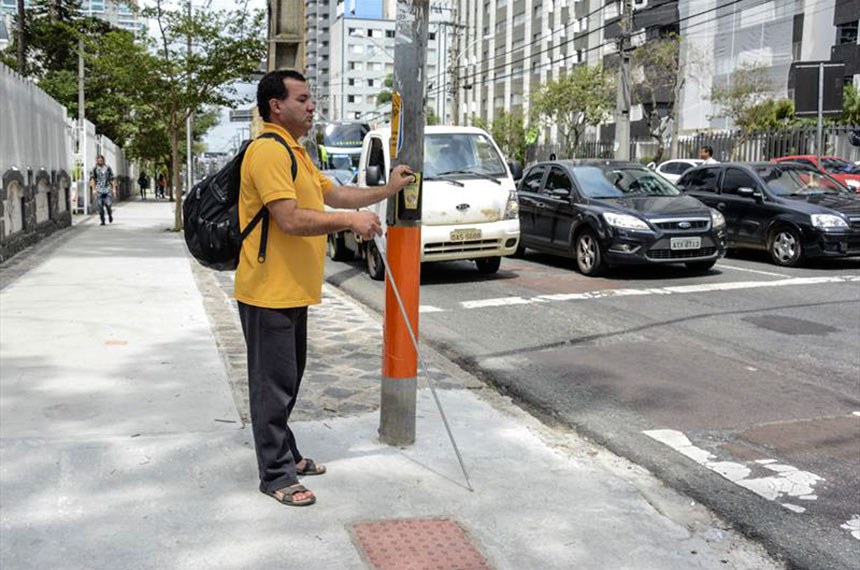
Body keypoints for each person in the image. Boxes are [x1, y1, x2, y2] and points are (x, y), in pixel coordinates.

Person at [236, 69, 414, 507]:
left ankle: (286, 453)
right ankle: (275, 475)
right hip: (267, 291)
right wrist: (350, 223)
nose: (312, 105)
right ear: (276, 106)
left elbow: (336, 195)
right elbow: (290, 219)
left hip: (291, 290)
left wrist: (388, 189)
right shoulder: (268, 151)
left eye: (310, 98)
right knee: (272, 386)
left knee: (288, 379)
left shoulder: (295, 152)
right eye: (302, 99)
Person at [90, 155, 114, 225]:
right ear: (97, 161)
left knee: (108, 204)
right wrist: (93, 189)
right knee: (100, 206)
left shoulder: (108, 168)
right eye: (99, 160)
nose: (100, 161)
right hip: (99, 189)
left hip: (107, 188)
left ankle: (110, 214)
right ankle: (102, 220)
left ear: (103, 160)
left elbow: (112, 178)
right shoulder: (95, 168)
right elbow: (92, 179)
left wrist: (114, 189)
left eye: (101, 160)